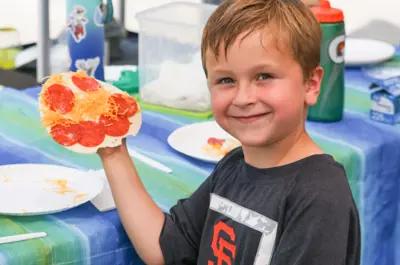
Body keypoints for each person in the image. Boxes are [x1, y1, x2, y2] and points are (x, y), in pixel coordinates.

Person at [97, 0, 361, 264]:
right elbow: (166, 249)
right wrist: (112, 151)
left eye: (264, 76)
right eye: (226, 80)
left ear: (311, 85)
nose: (243, 97)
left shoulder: (320, 196)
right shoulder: (233, 166)